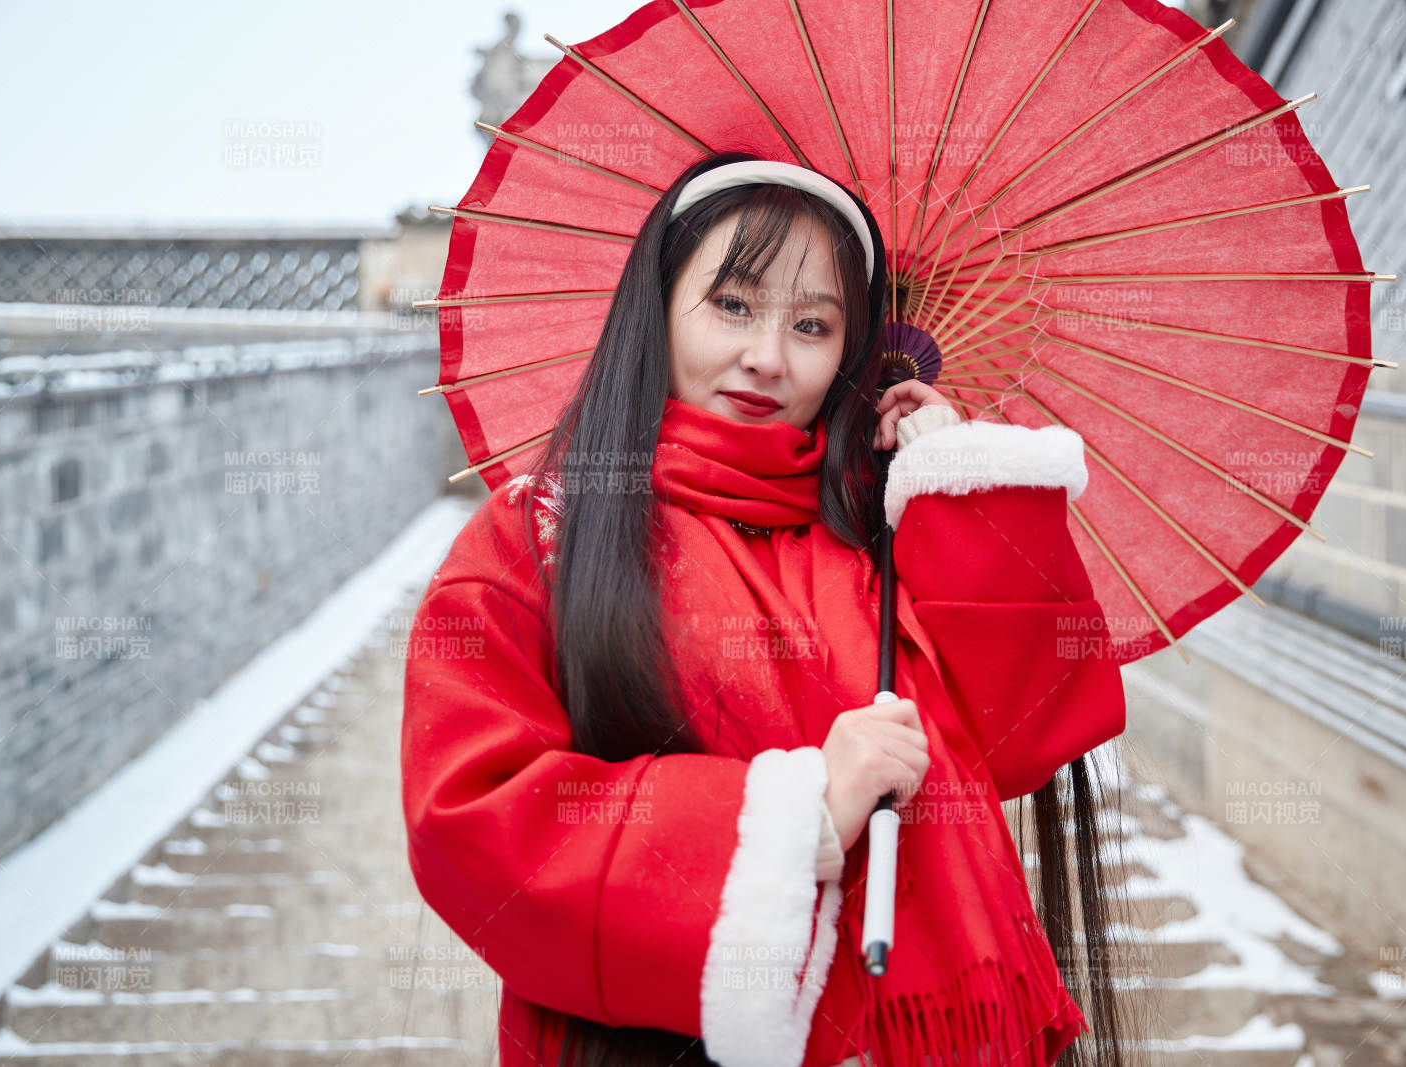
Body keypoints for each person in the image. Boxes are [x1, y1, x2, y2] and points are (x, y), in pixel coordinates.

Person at [400, 151, 1130, 1067]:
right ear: (658, 304)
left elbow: (1028, 730)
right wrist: (800, 812)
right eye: (733, 304)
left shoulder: (880, 530)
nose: (767, 357)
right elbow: (469, 819)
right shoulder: (540, 537)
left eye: (814, 324)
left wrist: (953, 482)